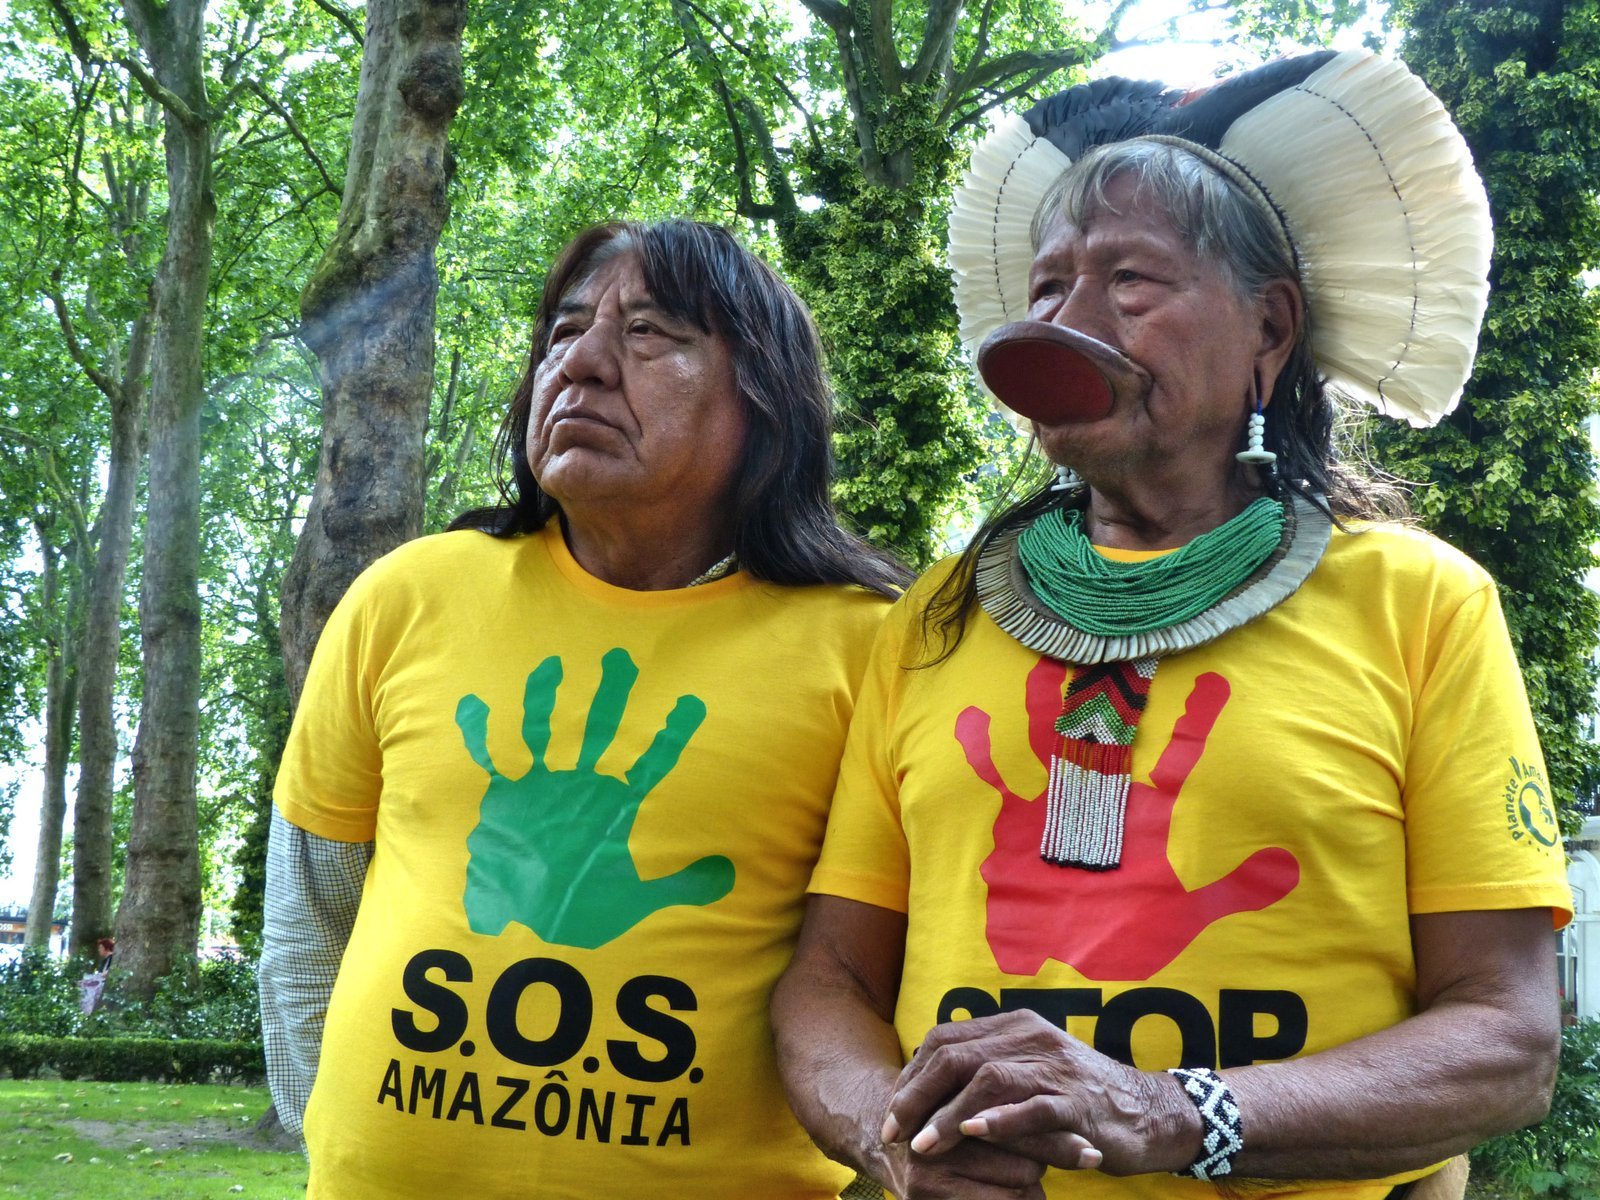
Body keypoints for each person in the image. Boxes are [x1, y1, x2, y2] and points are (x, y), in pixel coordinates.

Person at [772, 51, 1573, 1200]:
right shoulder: (936, 619)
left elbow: (1507, 1040)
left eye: (1130, 279)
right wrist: (890, 1137)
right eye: (1047, 287)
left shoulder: (1420, 605)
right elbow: (827, 983)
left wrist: (1168, 1112)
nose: (1067, 319)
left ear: (1268, 328)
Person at [260, 218, 907, 1198]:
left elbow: (876, 985)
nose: (583, 363)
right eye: (564, 331)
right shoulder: (408, 595)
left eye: (649, 334)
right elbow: (308, 924)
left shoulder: (871, 651)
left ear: (763, 399)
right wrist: (345, 1148)